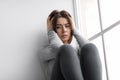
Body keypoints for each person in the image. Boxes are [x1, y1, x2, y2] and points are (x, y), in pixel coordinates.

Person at [40, 10, 102, 80]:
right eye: (58, 27)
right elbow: (58, 48)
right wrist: (50, 31)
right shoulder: (45, 51)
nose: (64, 30)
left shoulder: (78, 49)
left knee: (90, 47)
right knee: (66, 49)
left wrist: (74, 30)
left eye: (67, 26)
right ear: (53, 30)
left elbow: (91, 50)